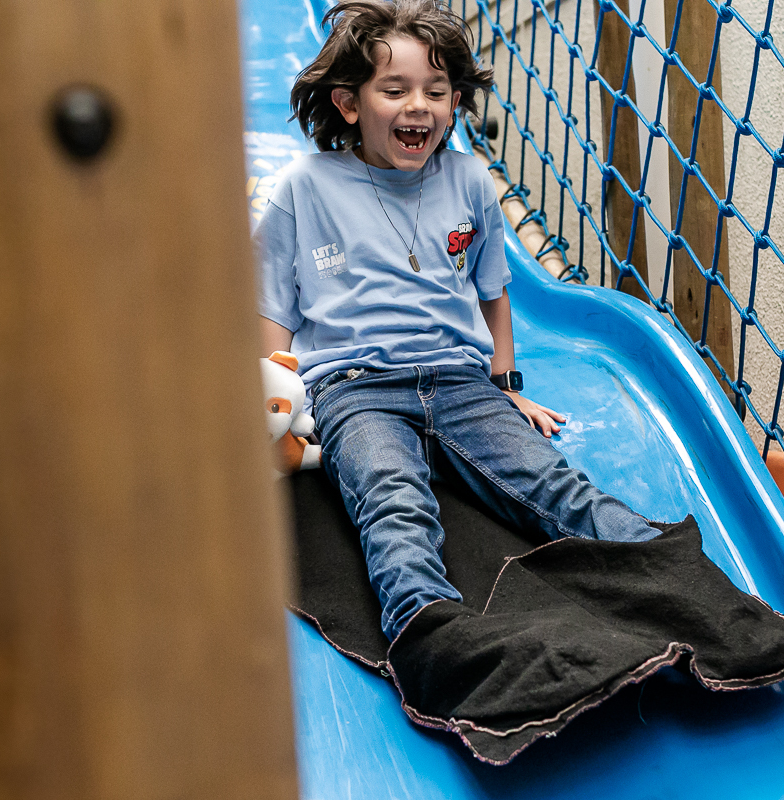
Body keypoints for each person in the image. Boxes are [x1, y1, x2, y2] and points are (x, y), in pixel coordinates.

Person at [255, 0, 663, 642]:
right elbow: (272, 311)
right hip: (354, 388)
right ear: (348, 103)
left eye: (436, 91)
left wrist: (505, 384)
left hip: (459, 381)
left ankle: (670, 571)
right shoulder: (304, 189)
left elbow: (492, 289)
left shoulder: (470, 180)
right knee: (392, 502)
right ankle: (432, 631)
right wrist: (270, 404)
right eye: (395, 89)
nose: (419, 105)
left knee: (550, 484)